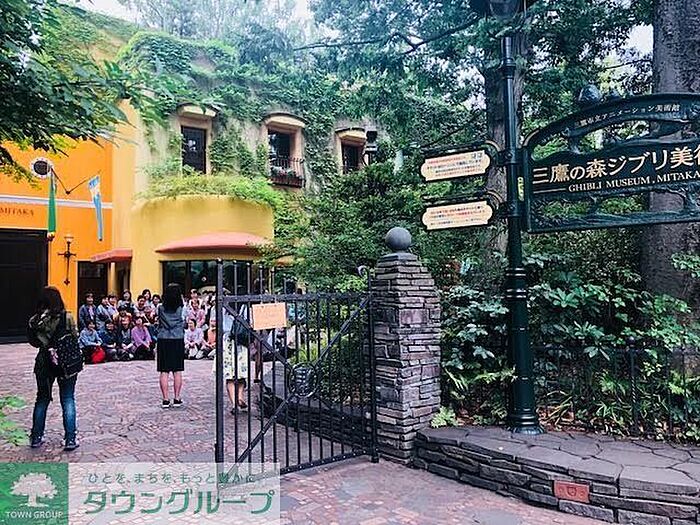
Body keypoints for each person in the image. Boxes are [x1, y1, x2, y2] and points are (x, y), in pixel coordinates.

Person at [28, 286, 80, 451]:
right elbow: (75, 336)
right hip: (66, 362)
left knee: (42, 399)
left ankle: (36, 437)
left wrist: (47, 344)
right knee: (68, 398)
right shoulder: (66, 317)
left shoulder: (34, 320)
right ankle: (70, 438)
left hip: (44, 362)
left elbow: (33, 342)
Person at [158, 283, 186, 408]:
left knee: (164, 371)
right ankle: (177, 398)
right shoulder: (181, 308)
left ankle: (165, 399)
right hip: (177, 338)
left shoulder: (160, 308)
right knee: (177, 370)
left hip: (163, 338)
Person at [214, 313, 248, 413]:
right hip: (241, 341)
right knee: (241, 374)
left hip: (227, 342)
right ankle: (240, 397)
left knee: (229, 376)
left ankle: (234, 403)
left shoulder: (223, 310)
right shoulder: (244, 309)